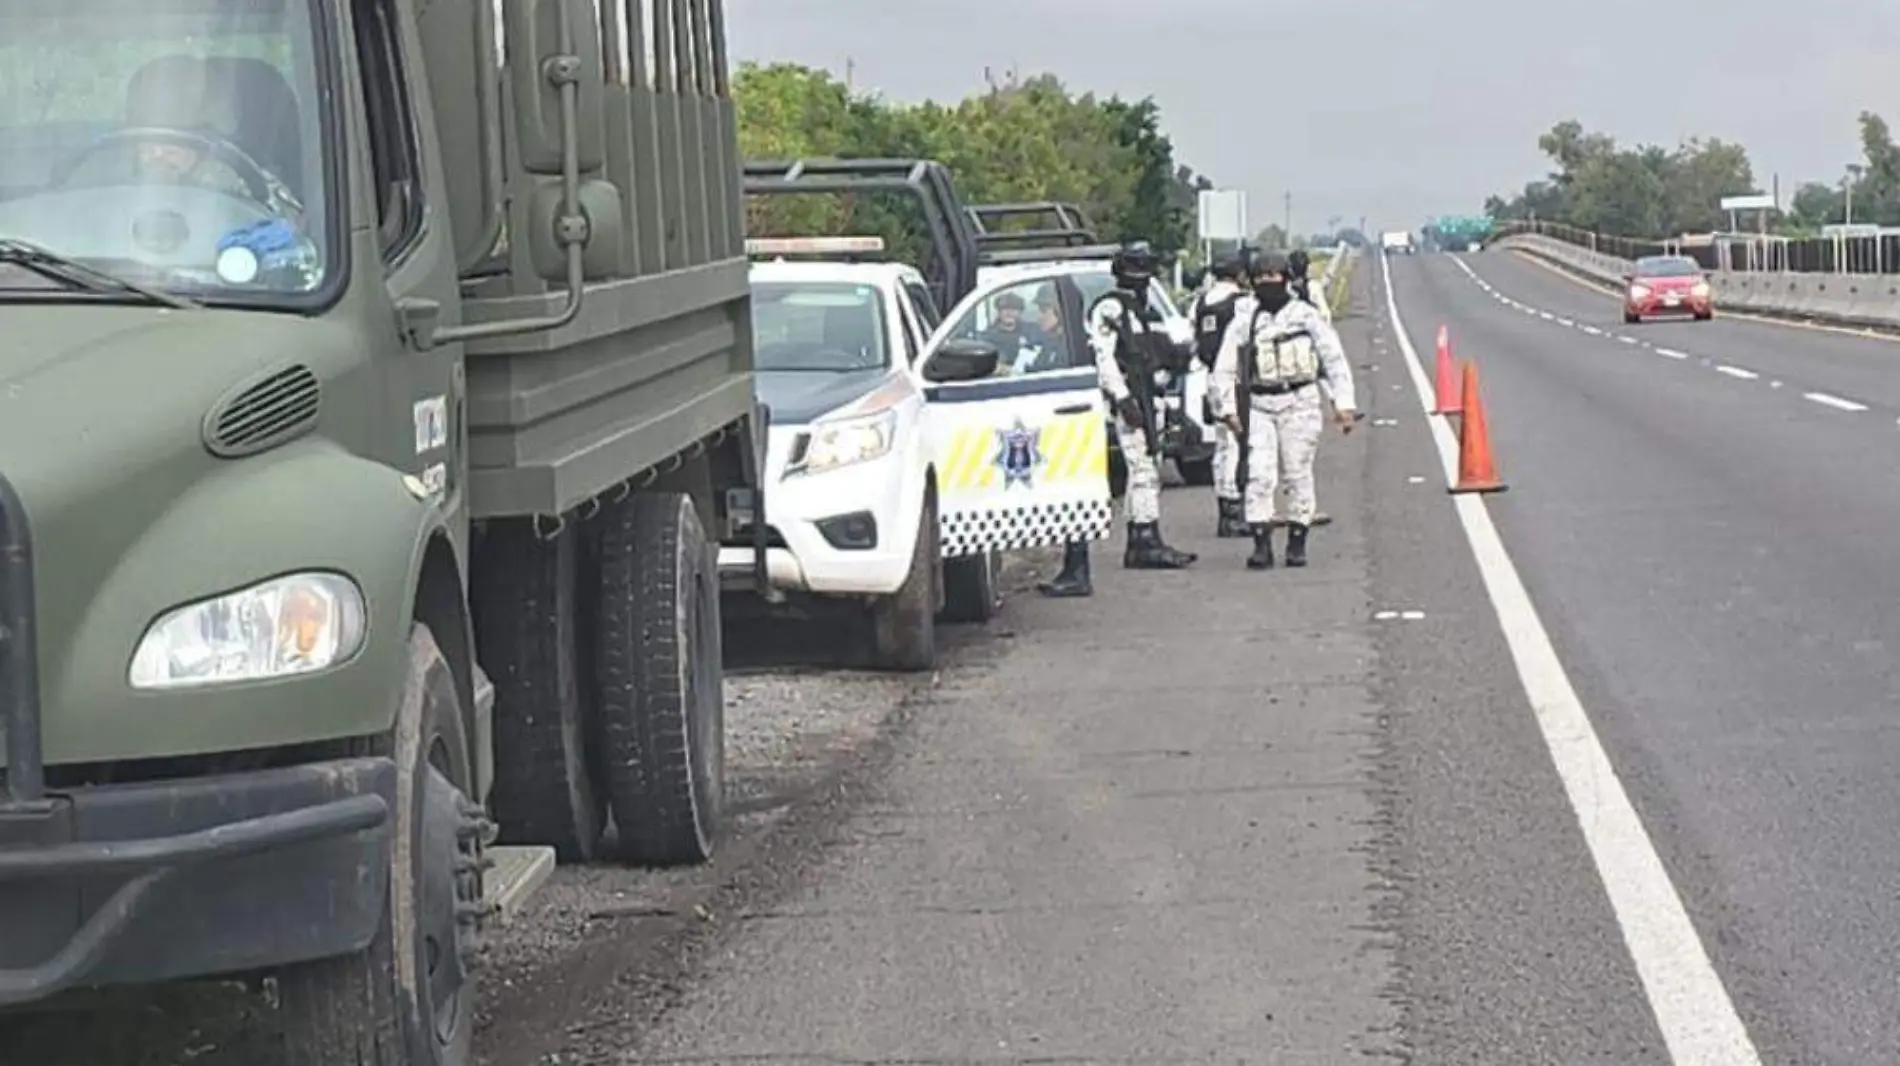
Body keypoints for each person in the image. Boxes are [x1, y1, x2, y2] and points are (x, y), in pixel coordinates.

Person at [1212, 250, 1357, 569]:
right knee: (1259, 475)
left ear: (1287, 279)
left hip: (1300, 401)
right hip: (1259, 405)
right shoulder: (1244, 319)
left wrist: (1343, 404)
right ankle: (1261, 543)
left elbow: (1333, 360)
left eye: (1273, 277)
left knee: (1297, 472)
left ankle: (1297, 539)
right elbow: (1224, 367)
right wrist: (1226, 409)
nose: (1267, 283)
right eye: (1260, 278)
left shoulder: (1305, 316)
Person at [1189, 249, 1249, 537]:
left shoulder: (1201, 302)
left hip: (1210, 377)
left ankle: (1225, 506)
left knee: (1222, 447)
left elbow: (1193, 339)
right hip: (1233, 379)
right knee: (1237, 445)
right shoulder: (1241, 303)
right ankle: (1234, 509)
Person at [1274, 246, 1334, 528]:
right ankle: (1300, 510)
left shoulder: (1277, 296)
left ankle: (1280, 508)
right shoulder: (1309, 289)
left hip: (1278, 373)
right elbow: (1324, 315)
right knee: (1298, 449)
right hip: (1302, 358)